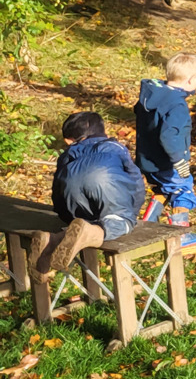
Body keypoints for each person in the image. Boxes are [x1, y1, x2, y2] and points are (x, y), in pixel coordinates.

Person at [28, 112, 145, 277]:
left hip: (74, 201)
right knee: (120, 222)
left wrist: (65, 215)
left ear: (69, 140)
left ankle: (52, 240)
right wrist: (131, 212)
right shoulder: (115, 147)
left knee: (83, 224)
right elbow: (135, 180)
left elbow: (57, 190)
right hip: (103, 181)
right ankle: (89, 232)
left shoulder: (67, 154)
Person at [134, 53, 196, 227]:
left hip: (148, 159)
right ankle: (180, 234)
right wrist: (179, 160)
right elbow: (169, 136)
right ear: (190, 81)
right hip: (168, 162)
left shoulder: (152, 95)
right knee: (183, 190)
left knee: (163, 188)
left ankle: (149, 222)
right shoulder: (176, 105)